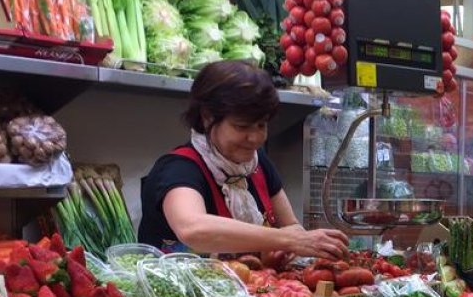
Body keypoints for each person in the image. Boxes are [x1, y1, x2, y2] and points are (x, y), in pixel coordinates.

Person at [138, 60, 349, 259]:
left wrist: (288, 247)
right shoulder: (179, 169)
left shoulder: (257, 164)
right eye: (242, 126)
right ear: (207, 117)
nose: (255, 138)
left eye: (261, 125)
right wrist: (288, 240)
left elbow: (291, 227)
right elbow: (193, 229)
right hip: (179, 294)